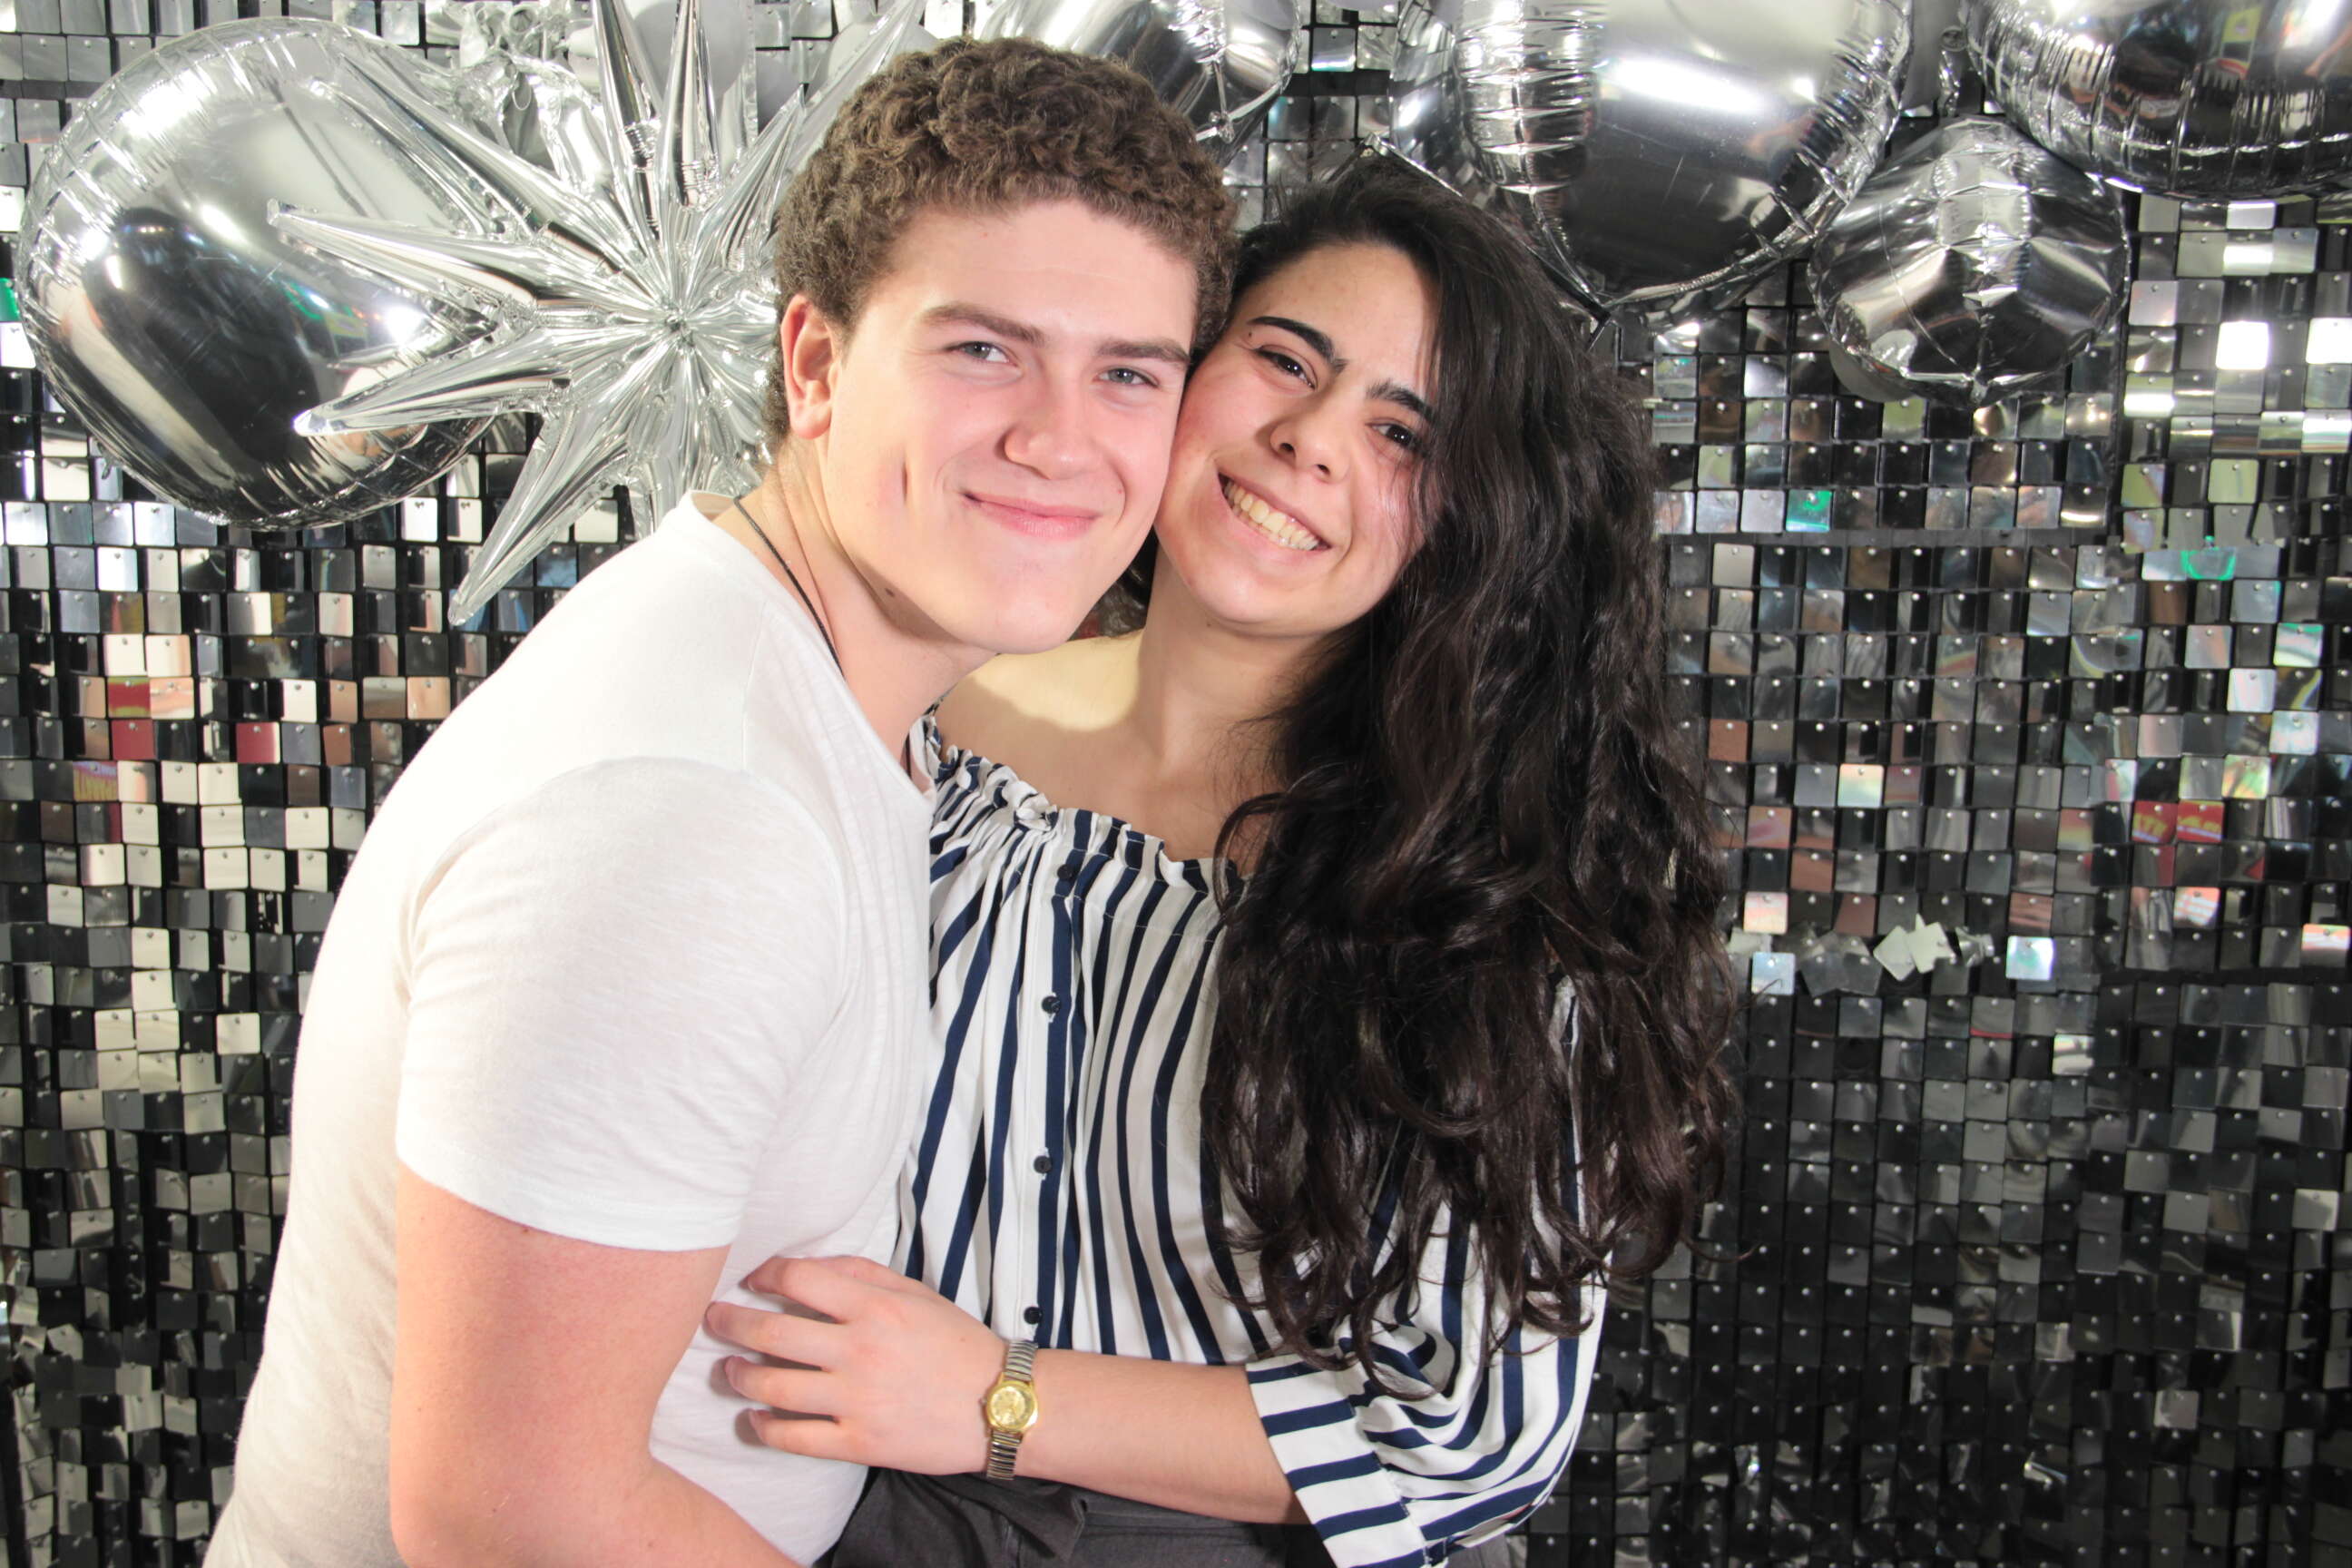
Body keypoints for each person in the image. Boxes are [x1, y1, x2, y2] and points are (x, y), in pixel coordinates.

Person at [204, 38, 1233, 1568]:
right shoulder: (696, 810)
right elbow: (513, 1515)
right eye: (983, 350)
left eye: (1128, 374)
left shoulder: (809, 696)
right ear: (814, 364)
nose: (1059, 440)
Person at [707, 155, 1740, 1566]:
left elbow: (1476, 1439)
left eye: (1402, 433)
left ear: (1472, 517)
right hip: (813, 1508)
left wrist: (998, 1399)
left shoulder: (1487, 891)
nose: (1310, 441)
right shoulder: (909, 728)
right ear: (1178, 372)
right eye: (1284, 362)